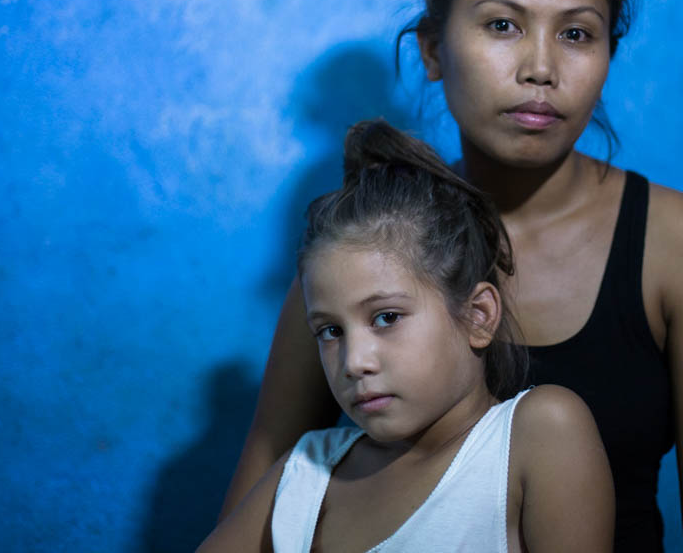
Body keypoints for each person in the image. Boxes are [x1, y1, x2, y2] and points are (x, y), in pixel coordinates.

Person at [222, 0, 683, 551]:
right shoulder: (366, 241)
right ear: (434, 49)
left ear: (609, 51)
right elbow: (271, 481)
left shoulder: (680, 246)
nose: (541, 68)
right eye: (503, 26)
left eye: (576, 33)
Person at [200, 120, 614, 552]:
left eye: (386, 318)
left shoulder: (536, 436)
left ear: (478, 316)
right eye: (330, 330)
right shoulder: (304, 473)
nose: (354, 361)